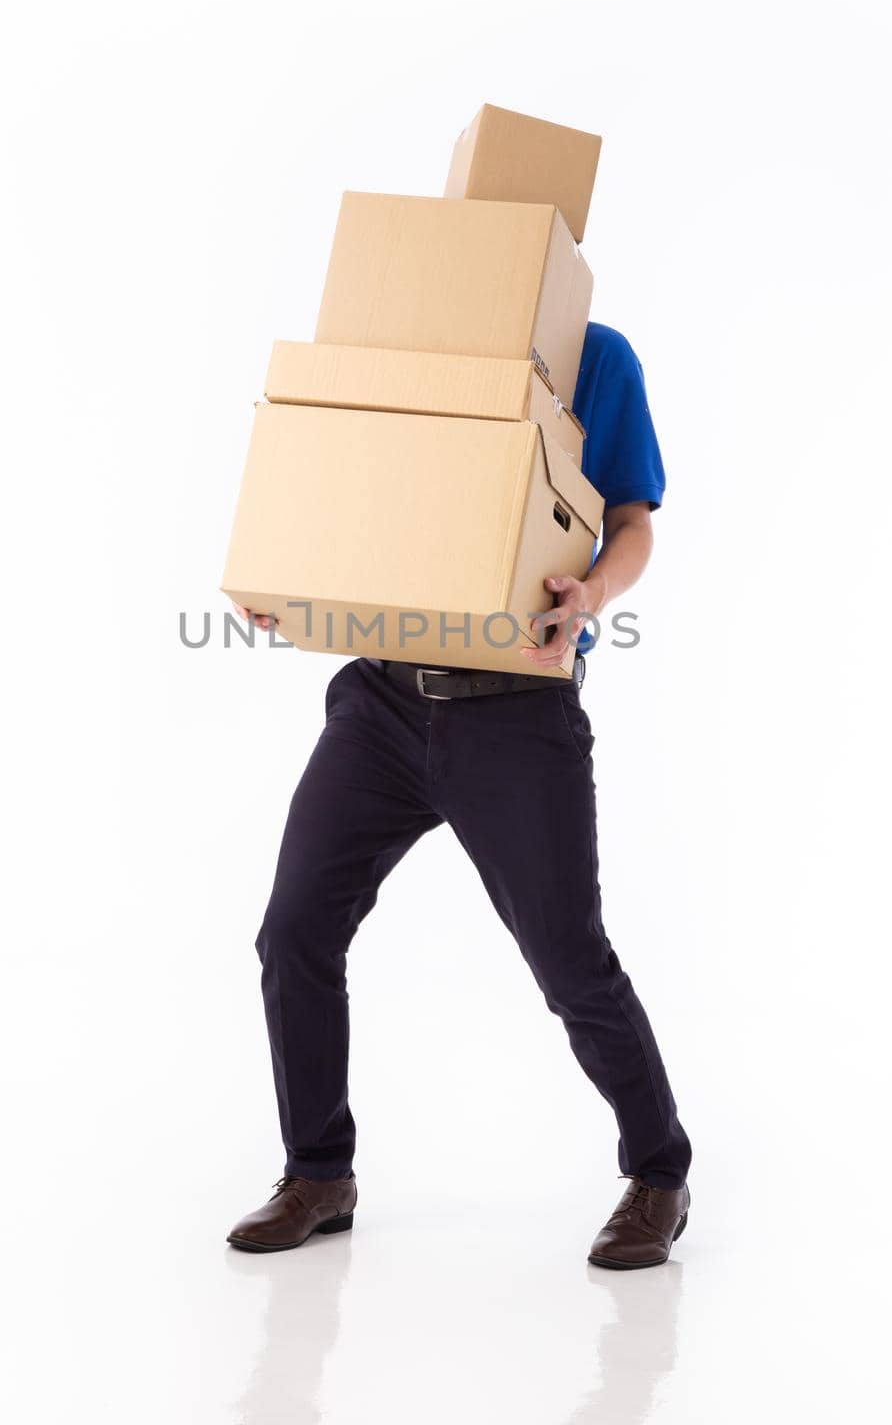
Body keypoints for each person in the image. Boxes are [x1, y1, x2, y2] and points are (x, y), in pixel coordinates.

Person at [225, 322, 692, 1267]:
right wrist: (288, 574)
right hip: (382, 702)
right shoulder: (415, 330)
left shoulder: (596, 356)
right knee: (296, 930)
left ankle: (659, 1176)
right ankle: (319, 1170)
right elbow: (348, 482)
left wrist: (591, 594)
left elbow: (634, 521)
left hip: (517, 710)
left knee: (568, 959)